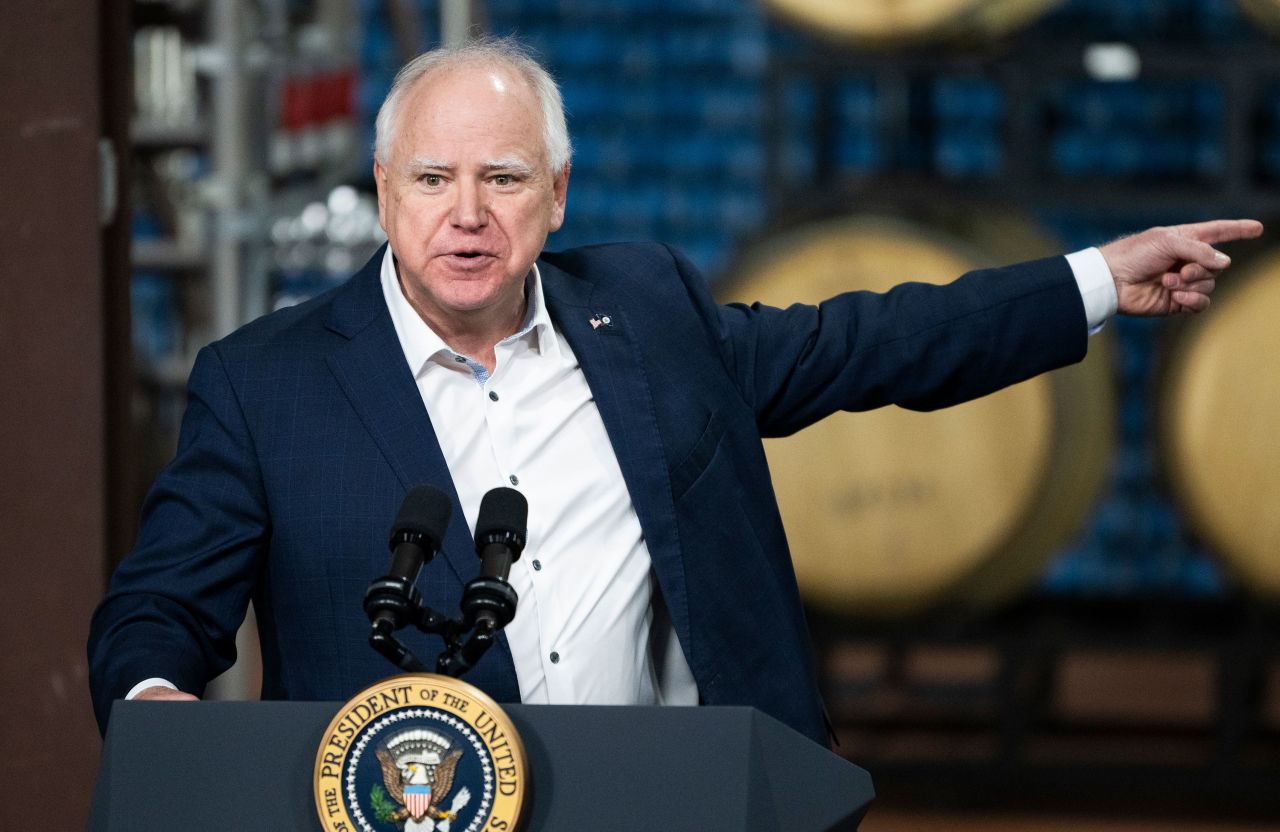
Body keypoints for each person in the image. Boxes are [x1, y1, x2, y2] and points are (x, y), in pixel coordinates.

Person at [88, 37, 1262, 746]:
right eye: (433, 178)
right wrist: (153, 700)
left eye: (502, 178)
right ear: (385, 191)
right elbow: (158, 606)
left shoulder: (645, 311)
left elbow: (873, 341)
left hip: (683, 802)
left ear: (554, 196)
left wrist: (1096, 279)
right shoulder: (265, 383)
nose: (466, 213)